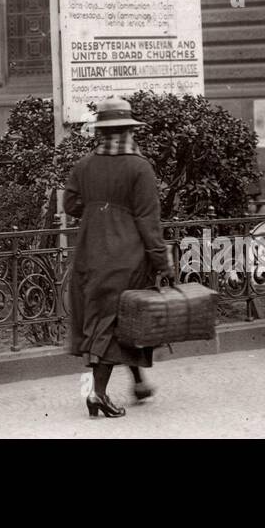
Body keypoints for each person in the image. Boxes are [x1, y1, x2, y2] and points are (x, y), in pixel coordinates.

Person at [64, 96, 171, 419]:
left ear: (101, 132)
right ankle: (97, 394)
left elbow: (70, 204)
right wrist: (161, 261)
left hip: (89, 252)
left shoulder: (84, 165)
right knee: (117, 322)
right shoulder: (139, 167)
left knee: (108, 317)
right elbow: (148, 221)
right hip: (128, 256)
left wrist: (98, 210)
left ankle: (139, 382)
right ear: (128, 130)